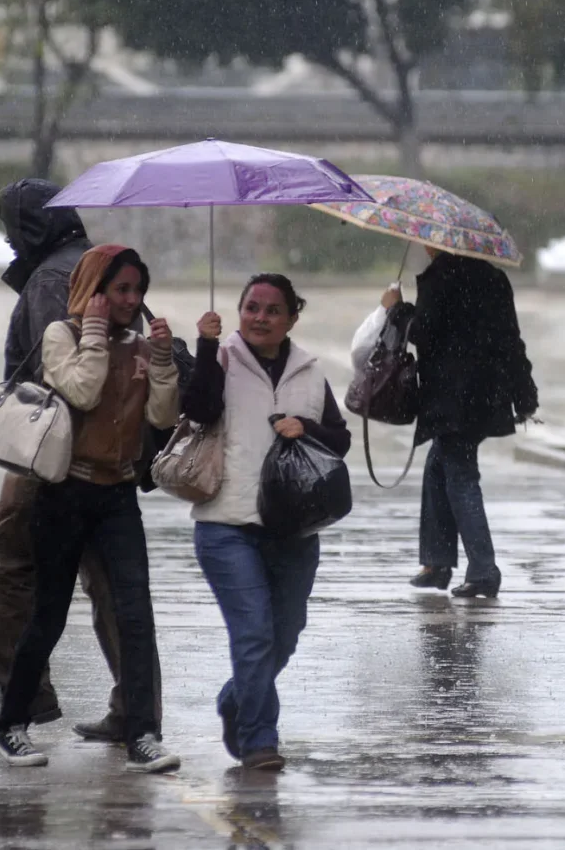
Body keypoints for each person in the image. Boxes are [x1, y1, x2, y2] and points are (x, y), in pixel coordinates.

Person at [0, 179, 162, 742]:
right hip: (96, 455)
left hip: (60, 453)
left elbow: (73, 380)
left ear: (28, 227)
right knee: (112, 588)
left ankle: (25, 698)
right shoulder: (85, 263)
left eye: (11, 227)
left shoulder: (55, 277)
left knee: (5, 557)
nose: (7, 242)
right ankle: (134, 712)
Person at [0, 244, 180, 773]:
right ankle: (12, 723)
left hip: (117, 496)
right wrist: (95, 335)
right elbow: (82, 393)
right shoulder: (62, 336)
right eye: (119, 289)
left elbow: (163, 417)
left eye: (137, 290)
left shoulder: (141, 349)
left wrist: (162, 361)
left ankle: (143, 734)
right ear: (93, 290)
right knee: (48, 615)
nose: (131, 299)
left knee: (135, 616)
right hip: (64, 493)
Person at [182, 274, 351, 771]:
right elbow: (196, 411)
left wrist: (308, 428)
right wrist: (206, 345)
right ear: (238, 311)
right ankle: (260, 740)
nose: (260, 318)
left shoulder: (309, 372)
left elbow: (338, 442)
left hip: (294, 529)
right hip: (226, 523)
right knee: (254, 633)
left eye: (272, 310)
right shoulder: (220, 359)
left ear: (292, 318)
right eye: (251, 307)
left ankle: (236, 699)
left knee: (286, 631)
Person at [384, 249, 538, 599]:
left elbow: (423, 332)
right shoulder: (494, 278)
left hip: (452, 398)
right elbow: (512, 340)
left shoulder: (441, 277)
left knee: (460, 474)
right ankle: (436, 563)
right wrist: (525, 395)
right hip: (486, 397)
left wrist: (397, 307)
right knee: (440, 464)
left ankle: (483, 569)